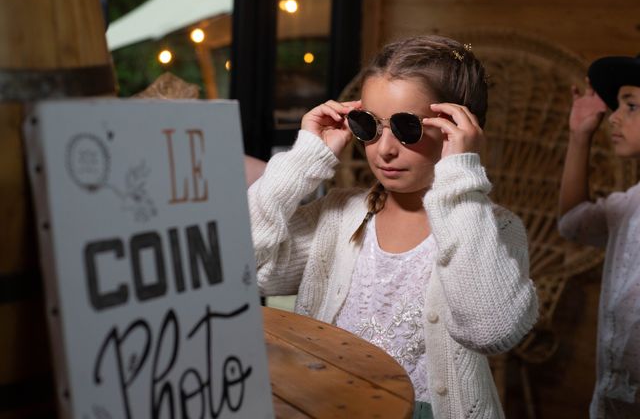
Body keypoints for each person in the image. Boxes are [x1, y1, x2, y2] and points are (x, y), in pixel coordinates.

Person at [249, 35, 538, 418]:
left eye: (406, 127)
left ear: (457, 129)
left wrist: (459, 175)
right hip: (325, 405)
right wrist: (303, 159)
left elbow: (490, 331)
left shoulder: (493, 228)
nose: (384, 149)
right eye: (368, 125)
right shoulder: (337, 214)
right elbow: (248, 270)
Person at [558, 53, 640, 419]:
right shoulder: (628, 204)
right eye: (618, 105)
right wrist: (579, 137)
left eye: (632, 106)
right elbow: (573, 222)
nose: (615, 117)